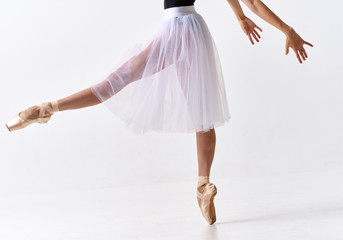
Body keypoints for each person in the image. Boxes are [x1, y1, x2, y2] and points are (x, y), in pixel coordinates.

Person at [5, 0, 313, 225]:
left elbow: (250, 3)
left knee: (119, 82)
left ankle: (48, 108)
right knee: (201, 115)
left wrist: (244, 16)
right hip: (193, 32)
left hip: (173, 29)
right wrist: (253, 19)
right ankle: (202, 184)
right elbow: (251, 2)